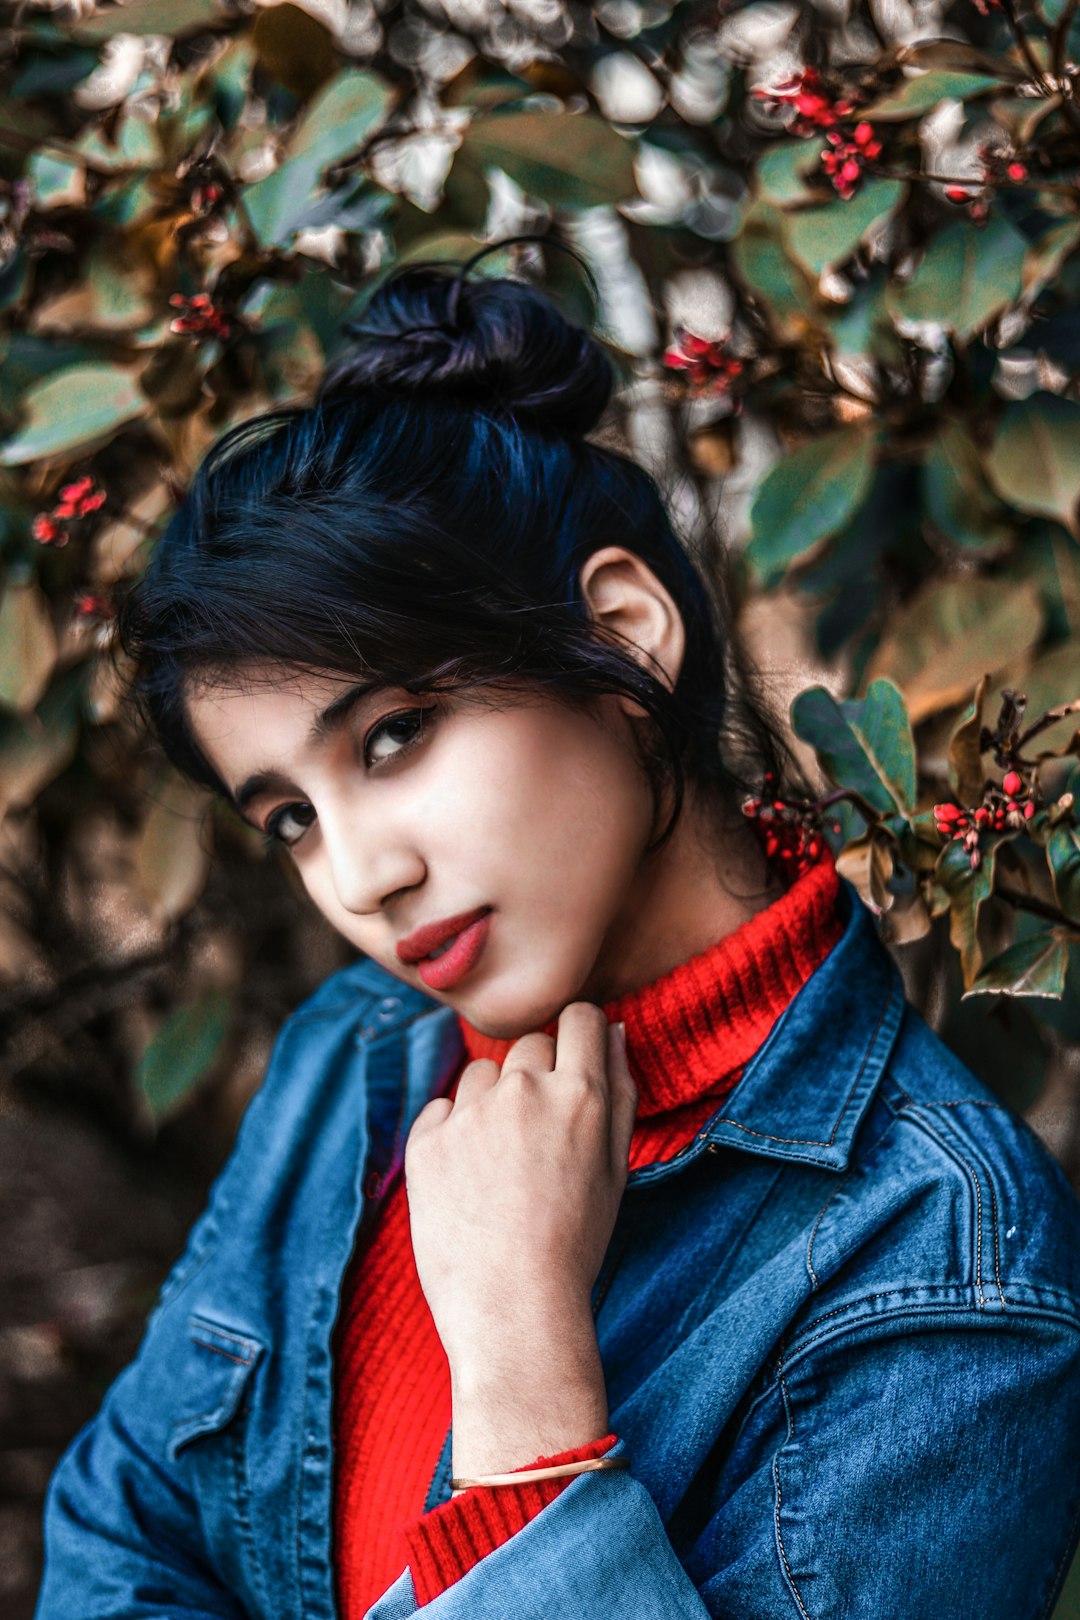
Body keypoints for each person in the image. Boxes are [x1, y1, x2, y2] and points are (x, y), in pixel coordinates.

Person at [34, 251, 1080, 1620]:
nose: (362, 873)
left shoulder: (943, 1258)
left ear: (627, 640)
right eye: (289, 815)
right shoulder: (355, 1061)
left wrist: (525, 1368)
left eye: (395, 736)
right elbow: (122, 1537)